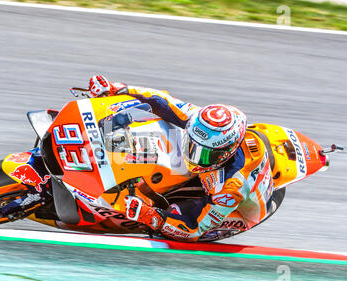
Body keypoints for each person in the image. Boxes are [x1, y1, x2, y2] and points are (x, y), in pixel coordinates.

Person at [87, 75, 277, 242]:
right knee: (157, 128)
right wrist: (118, 89)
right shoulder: (199, 121)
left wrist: (153, 216)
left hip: (232, 210)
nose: (194, 154)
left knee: (174, 213)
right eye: (193, 145)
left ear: (226, 152)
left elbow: (194, 229)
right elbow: (160, 100)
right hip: (212, 172)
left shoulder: (230, 188)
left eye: (203, 153)